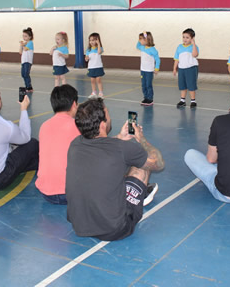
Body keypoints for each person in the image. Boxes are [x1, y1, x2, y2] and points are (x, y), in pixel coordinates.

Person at [66, 99, 164, 241]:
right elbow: (158, 163)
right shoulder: (120, 148)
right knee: (142, 164)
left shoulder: (75, 144)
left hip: (79, 225)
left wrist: (119, 137)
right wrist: (141, 138)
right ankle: (139, 196)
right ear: (102, 125)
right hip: (114, 229)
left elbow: (101, 146)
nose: (110, 118)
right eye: (108, 115)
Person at [35, 85, 80, 204]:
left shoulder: (44, 126)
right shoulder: (77, 125)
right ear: (74, 104)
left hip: (46, 193)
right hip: (71, 193)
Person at [174, 28, 199, 108]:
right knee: (182, 85)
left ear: (192, 38)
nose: (185, 39)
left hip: (191, 69)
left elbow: (195, 55)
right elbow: (176, 58)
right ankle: (182, 100)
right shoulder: (179, 47)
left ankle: (193, 101)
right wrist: (175, 68)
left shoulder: (194, 47)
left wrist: (193, 44)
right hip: (181, 69)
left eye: (187, 37)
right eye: (183, 37)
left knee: (191, 85)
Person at [136, 31, 160, 106]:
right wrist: (139, 40)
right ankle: (145, 97)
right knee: (143, 85)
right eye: (139, 39)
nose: (140, 40)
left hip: (149, 71)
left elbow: (158, 59)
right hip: (143, 70)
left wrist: (156, 68)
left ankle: (150, 99)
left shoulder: (153, 49)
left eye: (141, 39)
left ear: (147, 39)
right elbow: (137, 46)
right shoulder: (142, 47)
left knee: (148, 85)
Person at [85, 32, 104, 98]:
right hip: (91, 67)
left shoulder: (100, 48)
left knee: (98, 80)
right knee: (92, 80)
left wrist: (98, 44)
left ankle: (101, 93)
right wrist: (86, 58)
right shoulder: (88, 50)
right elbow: (86, 58)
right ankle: (94, 92)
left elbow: (99, 52)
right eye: (90, 40)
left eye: (93, 40)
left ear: (97, 40)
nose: (91, 42)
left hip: (98, 66)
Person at [19, 27, 34, 92]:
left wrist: (23, 45)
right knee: (23, 74)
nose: (24, 38)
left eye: (25, 36)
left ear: (30, 37)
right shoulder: (25, 44)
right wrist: (21, 45)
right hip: (23, 61)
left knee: (26, 74)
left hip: (28, 61)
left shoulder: (30, 43)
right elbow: (20, 52)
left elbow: (25, 49)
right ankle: (27, 86)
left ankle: (29, 87)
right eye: (23, 36)